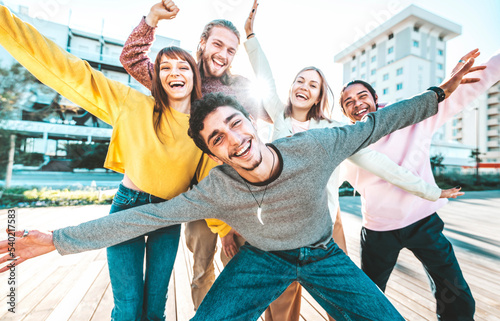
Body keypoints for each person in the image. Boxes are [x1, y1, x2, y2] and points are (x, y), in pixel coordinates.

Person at [0, 10, 480, 317]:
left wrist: (440, 92)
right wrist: (54, 241)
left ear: (251, 121)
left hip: (321, 251)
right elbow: (143, 214)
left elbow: (379, 123)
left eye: (235, 125)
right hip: (246, 248)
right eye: (217, 138)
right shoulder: (184, 146)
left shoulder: (311, 144)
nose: (233, 140)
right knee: (181, 303)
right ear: (211, 150)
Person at [228, 2, 455, 320]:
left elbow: (379, 163)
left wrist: (430, 192)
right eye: (300, 80)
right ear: (291, 87)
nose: (304, 87)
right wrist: (250, 34)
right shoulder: (278, 116)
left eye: (313, 84)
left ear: (320, 95)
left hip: (324, 224)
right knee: (281, 303)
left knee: (342, 300)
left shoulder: (336, 132)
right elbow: (263, 72)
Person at [0, 5, 212, 321]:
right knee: (127, 309)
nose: (173, 73)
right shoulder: (133, 105)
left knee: (154, 310)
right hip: (127, 209)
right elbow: (72, 71)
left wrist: (233, 232)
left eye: (182, 67)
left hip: (169, 216)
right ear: (156, 77)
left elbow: (217, 184)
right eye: (164, 67)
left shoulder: (206, 128)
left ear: (194, 76)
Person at [119, 1, 270, 308]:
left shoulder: (241, 87)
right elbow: (132, 59)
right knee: (202, 271)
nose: (223, 54)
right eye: (217, 44)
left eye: (231, 50)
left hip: (237, 194)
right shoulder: (181, 78)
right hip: (197, 196)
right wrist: (152, 20)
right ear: (202, 43)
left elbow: (276, 113)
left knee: (242, 268)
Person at [338, 49, 500, 321]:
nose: (357, 103)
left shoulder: (411, 116)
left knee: (455, 293)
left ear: (376, 98)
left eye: (362, 95)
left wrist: (475, 72)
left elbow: (459, 92)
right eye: (348, 102)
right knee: (369, 295)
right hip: (379, 229)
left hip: (422, 220)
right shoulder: (348, 141)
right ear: (346, 112)